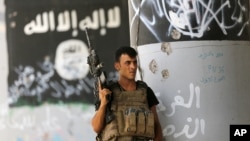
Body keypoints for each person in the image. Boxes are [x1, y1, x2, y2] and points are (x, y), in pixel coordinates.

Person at [91, 46, 163, 141]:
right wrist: (103, 104)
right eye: (128, 63)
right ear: (117, 66)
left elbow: (156, 126)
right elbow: (96, 128)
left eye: (135, 62)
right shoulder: (109, 92)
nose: (133, 67)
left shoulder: (146, 91)